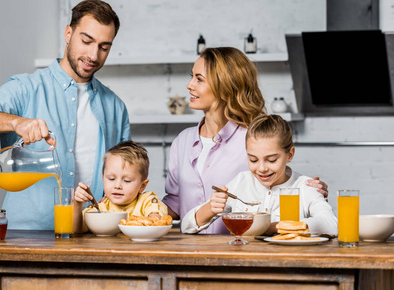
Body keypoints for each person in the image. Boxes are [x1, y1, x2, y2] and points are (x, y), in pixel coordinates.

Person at [0, 0, 130, 230]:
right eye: (86, 41)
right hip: (26, 239)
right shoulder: (27, 88)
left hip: (92, 239)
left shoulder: (116, 108)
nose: (93, 54)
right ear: (68, 33)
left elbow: (126, 175)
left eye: (104, 47)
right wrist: (15, 122)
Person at [162, 47, 329, 234]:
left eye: (199, 79)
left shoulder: (253, 138)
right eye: (192, 76)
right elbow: (175, 201)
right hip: (189, 252)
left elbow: (279, 180)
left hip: (239, 251)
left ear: (224, 86)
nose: (189, 85)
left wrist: (311, 192)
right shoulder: (183, 140)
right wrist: (146, 210)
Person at [181, 114, 337, 236]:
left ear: (290, 154)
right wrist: (210, 208)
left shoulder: (305, 186)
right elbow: (186, 226)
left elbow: (331, 225)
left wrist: (274, 228)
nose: (261, 168)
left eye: (271, 160)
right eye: (253, 159)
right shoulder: (241, 182)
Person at [73, 141, 167, 233]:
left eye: (127, 180)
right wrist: (77, 203)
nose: (117, 186)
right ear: (103, 179)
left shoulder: (147, 201)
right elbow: (77, 229)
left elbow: (156, 220)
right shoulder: (101, 208)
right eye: (111, 179)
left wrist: (153, 219)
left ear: (142, 186)